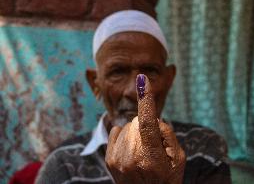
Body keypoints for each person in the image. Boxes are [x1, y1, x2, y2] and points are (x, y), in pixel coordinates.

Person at [35, 10, 231, 184]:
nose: (133, 90)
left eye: (150, 71)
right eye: (117, 72)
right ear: (95, 83)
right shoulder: (63, 165)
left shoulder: (203, 147)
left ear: (169, 79)